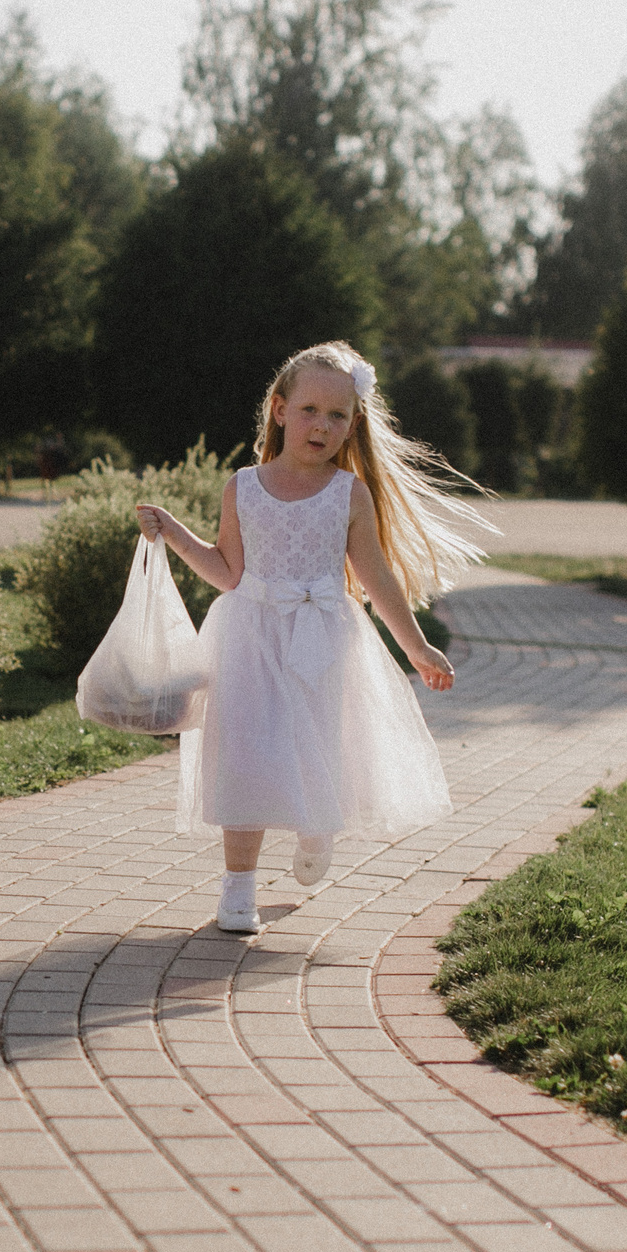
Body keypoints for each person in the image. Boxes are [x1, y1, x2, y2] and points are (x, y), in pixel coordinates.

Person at [136, 340, 489, 933]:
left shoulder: (348, 494)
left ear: (353, 425)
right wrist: (172, 532)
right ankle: (237, 890)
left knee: (317, 745)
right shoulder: (241, 487)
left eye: (337, 415)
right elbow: (228, 571)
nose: (321, 425)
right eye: (309, 410)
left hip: (322, 640)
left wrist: (417, 646)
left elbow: (376, 578)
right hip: (248, 636)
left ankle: (315, 828)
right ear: (278, 410)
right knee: (244, 754)